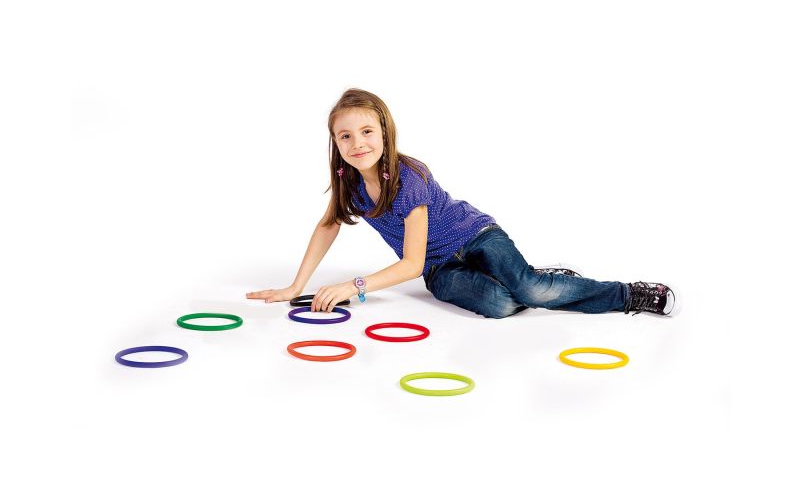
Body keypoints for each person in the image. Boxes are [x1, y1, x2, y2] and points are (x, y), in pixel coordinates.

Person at [246, 88, 679, 319]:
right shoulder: (350, 184)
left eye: (366, 132)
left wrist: (353, 287)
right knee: (502, 305)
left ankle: (629, 295)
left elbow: (410, 264)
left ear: (385, 133)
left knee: (530, 289)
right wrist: (295, 286)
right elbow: (328, 226)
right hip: (441, 268)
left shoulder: (408, 178)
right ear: (335, 143)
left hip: (475, 237)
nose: (357, 143)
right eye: (345, 136)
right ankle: (534, 280)